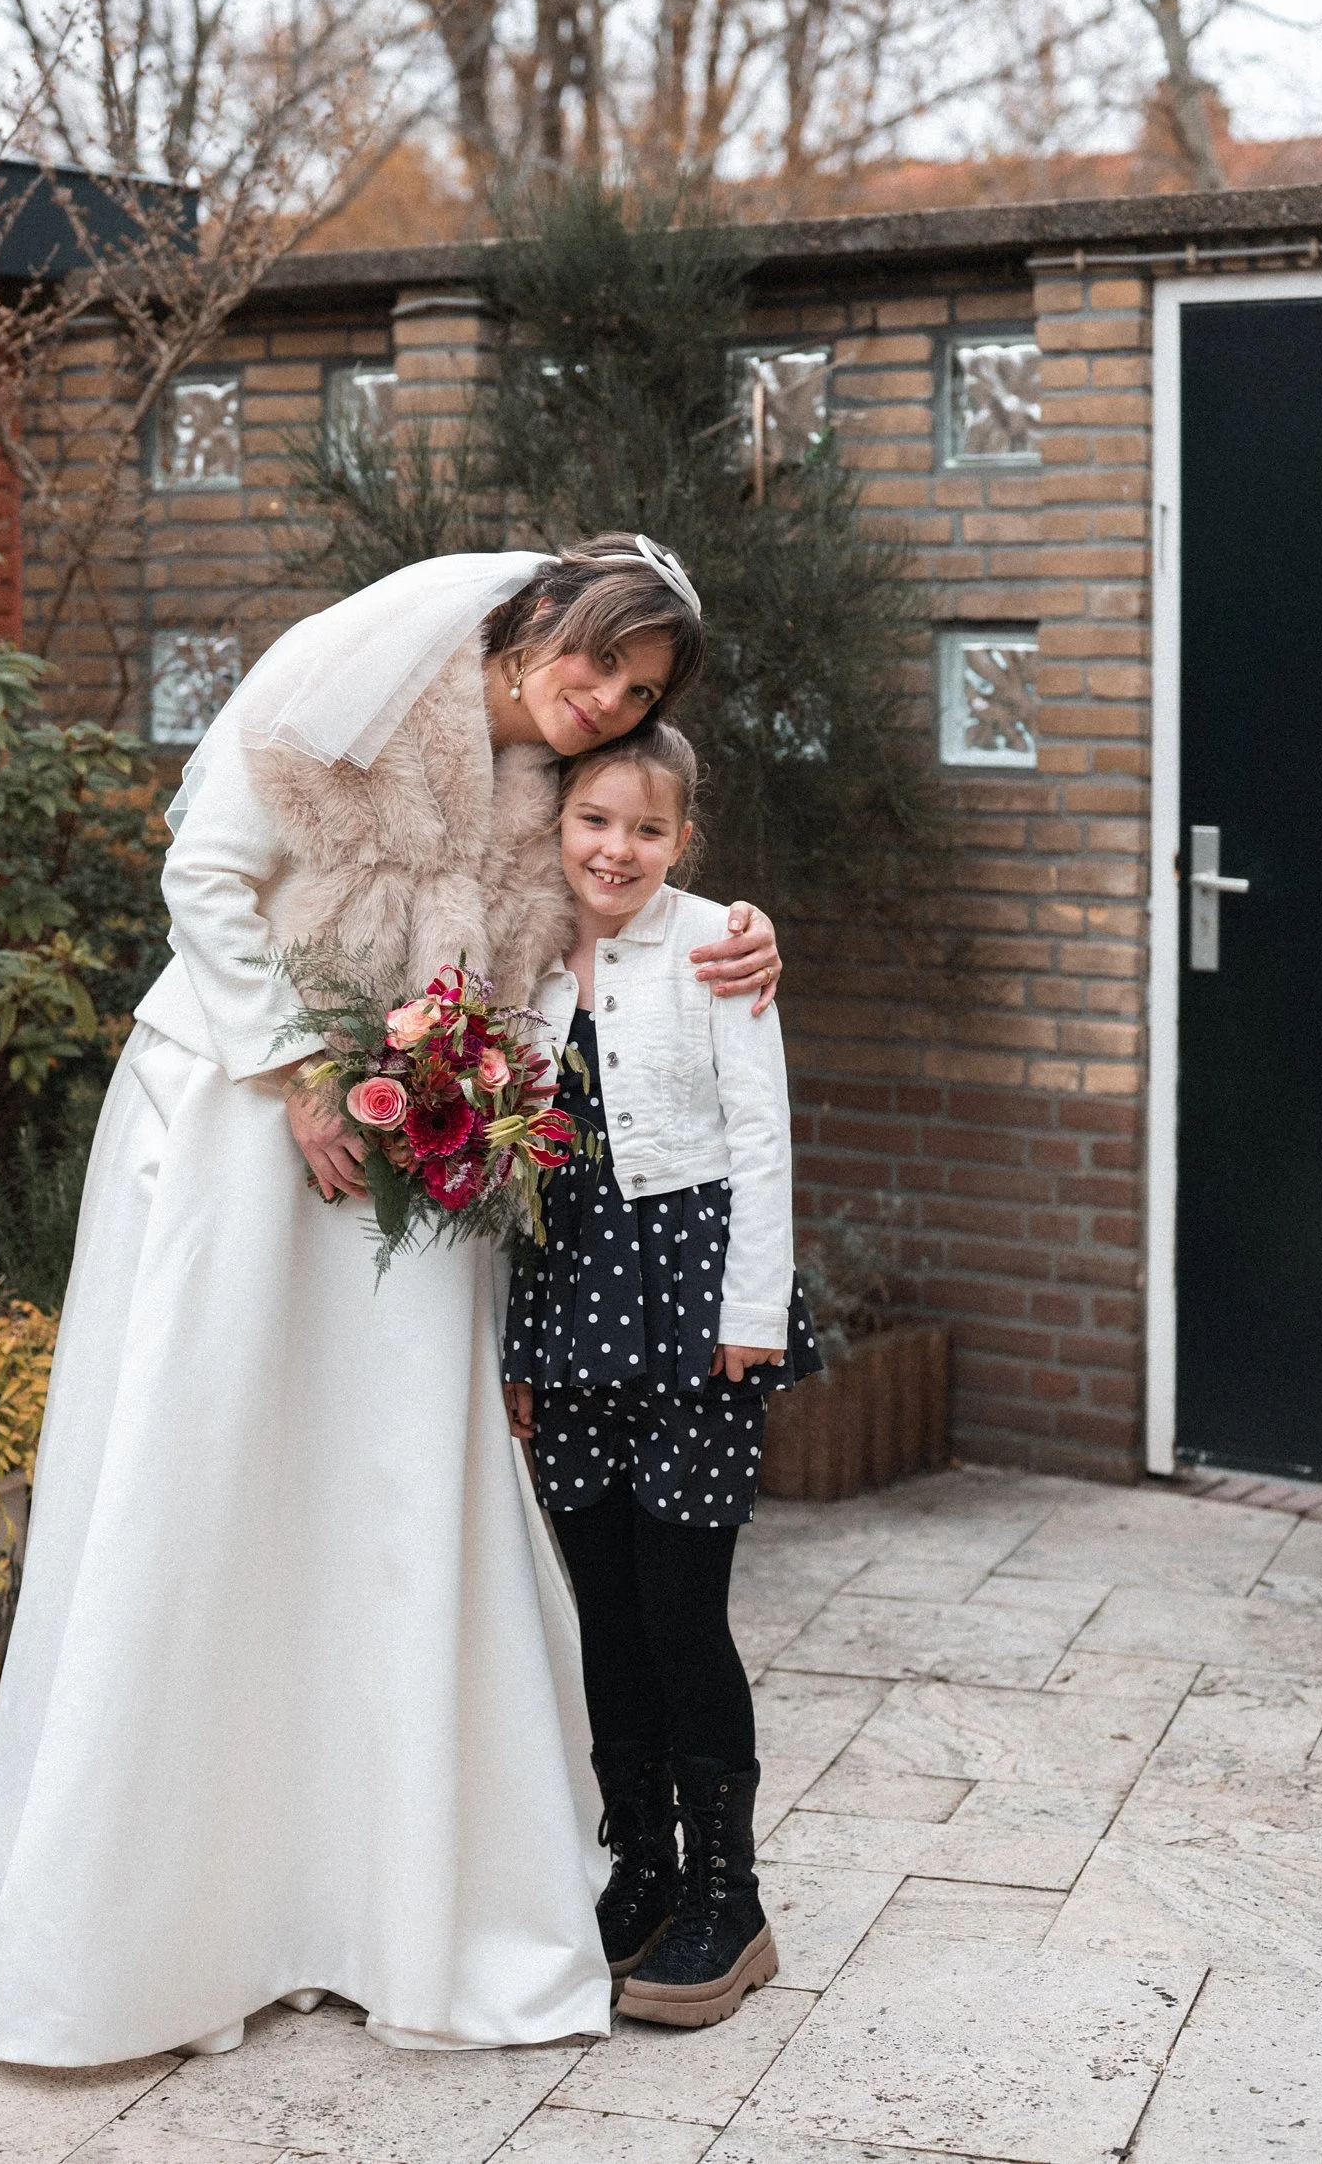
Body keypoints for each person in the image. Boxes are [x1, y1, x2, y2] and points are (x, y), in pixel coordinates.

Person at [0, 538, 785, 2065]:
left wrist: (739, 930)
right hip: (246, 1133)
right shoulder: (354, 696)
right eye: (596, 659)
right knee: (212, 1474)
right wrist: (299, 1075)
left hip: (424, 1178)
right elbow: (202, 869)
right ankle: (171, 1915)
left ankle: (385, 1896)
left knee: (391, 1493)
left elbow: (623, 886)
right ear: (533, 621)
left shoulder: (559, 800)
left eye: (639, 693)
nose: (603, 702)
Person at [504, 721, 820, 2031]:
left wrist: (750, 1312)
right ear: (556, 826)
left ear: (681, 840)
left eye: (645, 828)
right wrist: (511, 1350)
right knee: (605, 1614)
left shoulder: (715, 944)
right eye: (593, 821)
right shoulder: (520, 958)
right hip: (568, 1306)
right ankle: (640, 1867)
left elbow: (760, 1133)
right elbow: (508, 1170)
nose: (615, 848)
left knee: (682, 1611)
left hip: (691, 1308)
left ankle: (727, 1900)